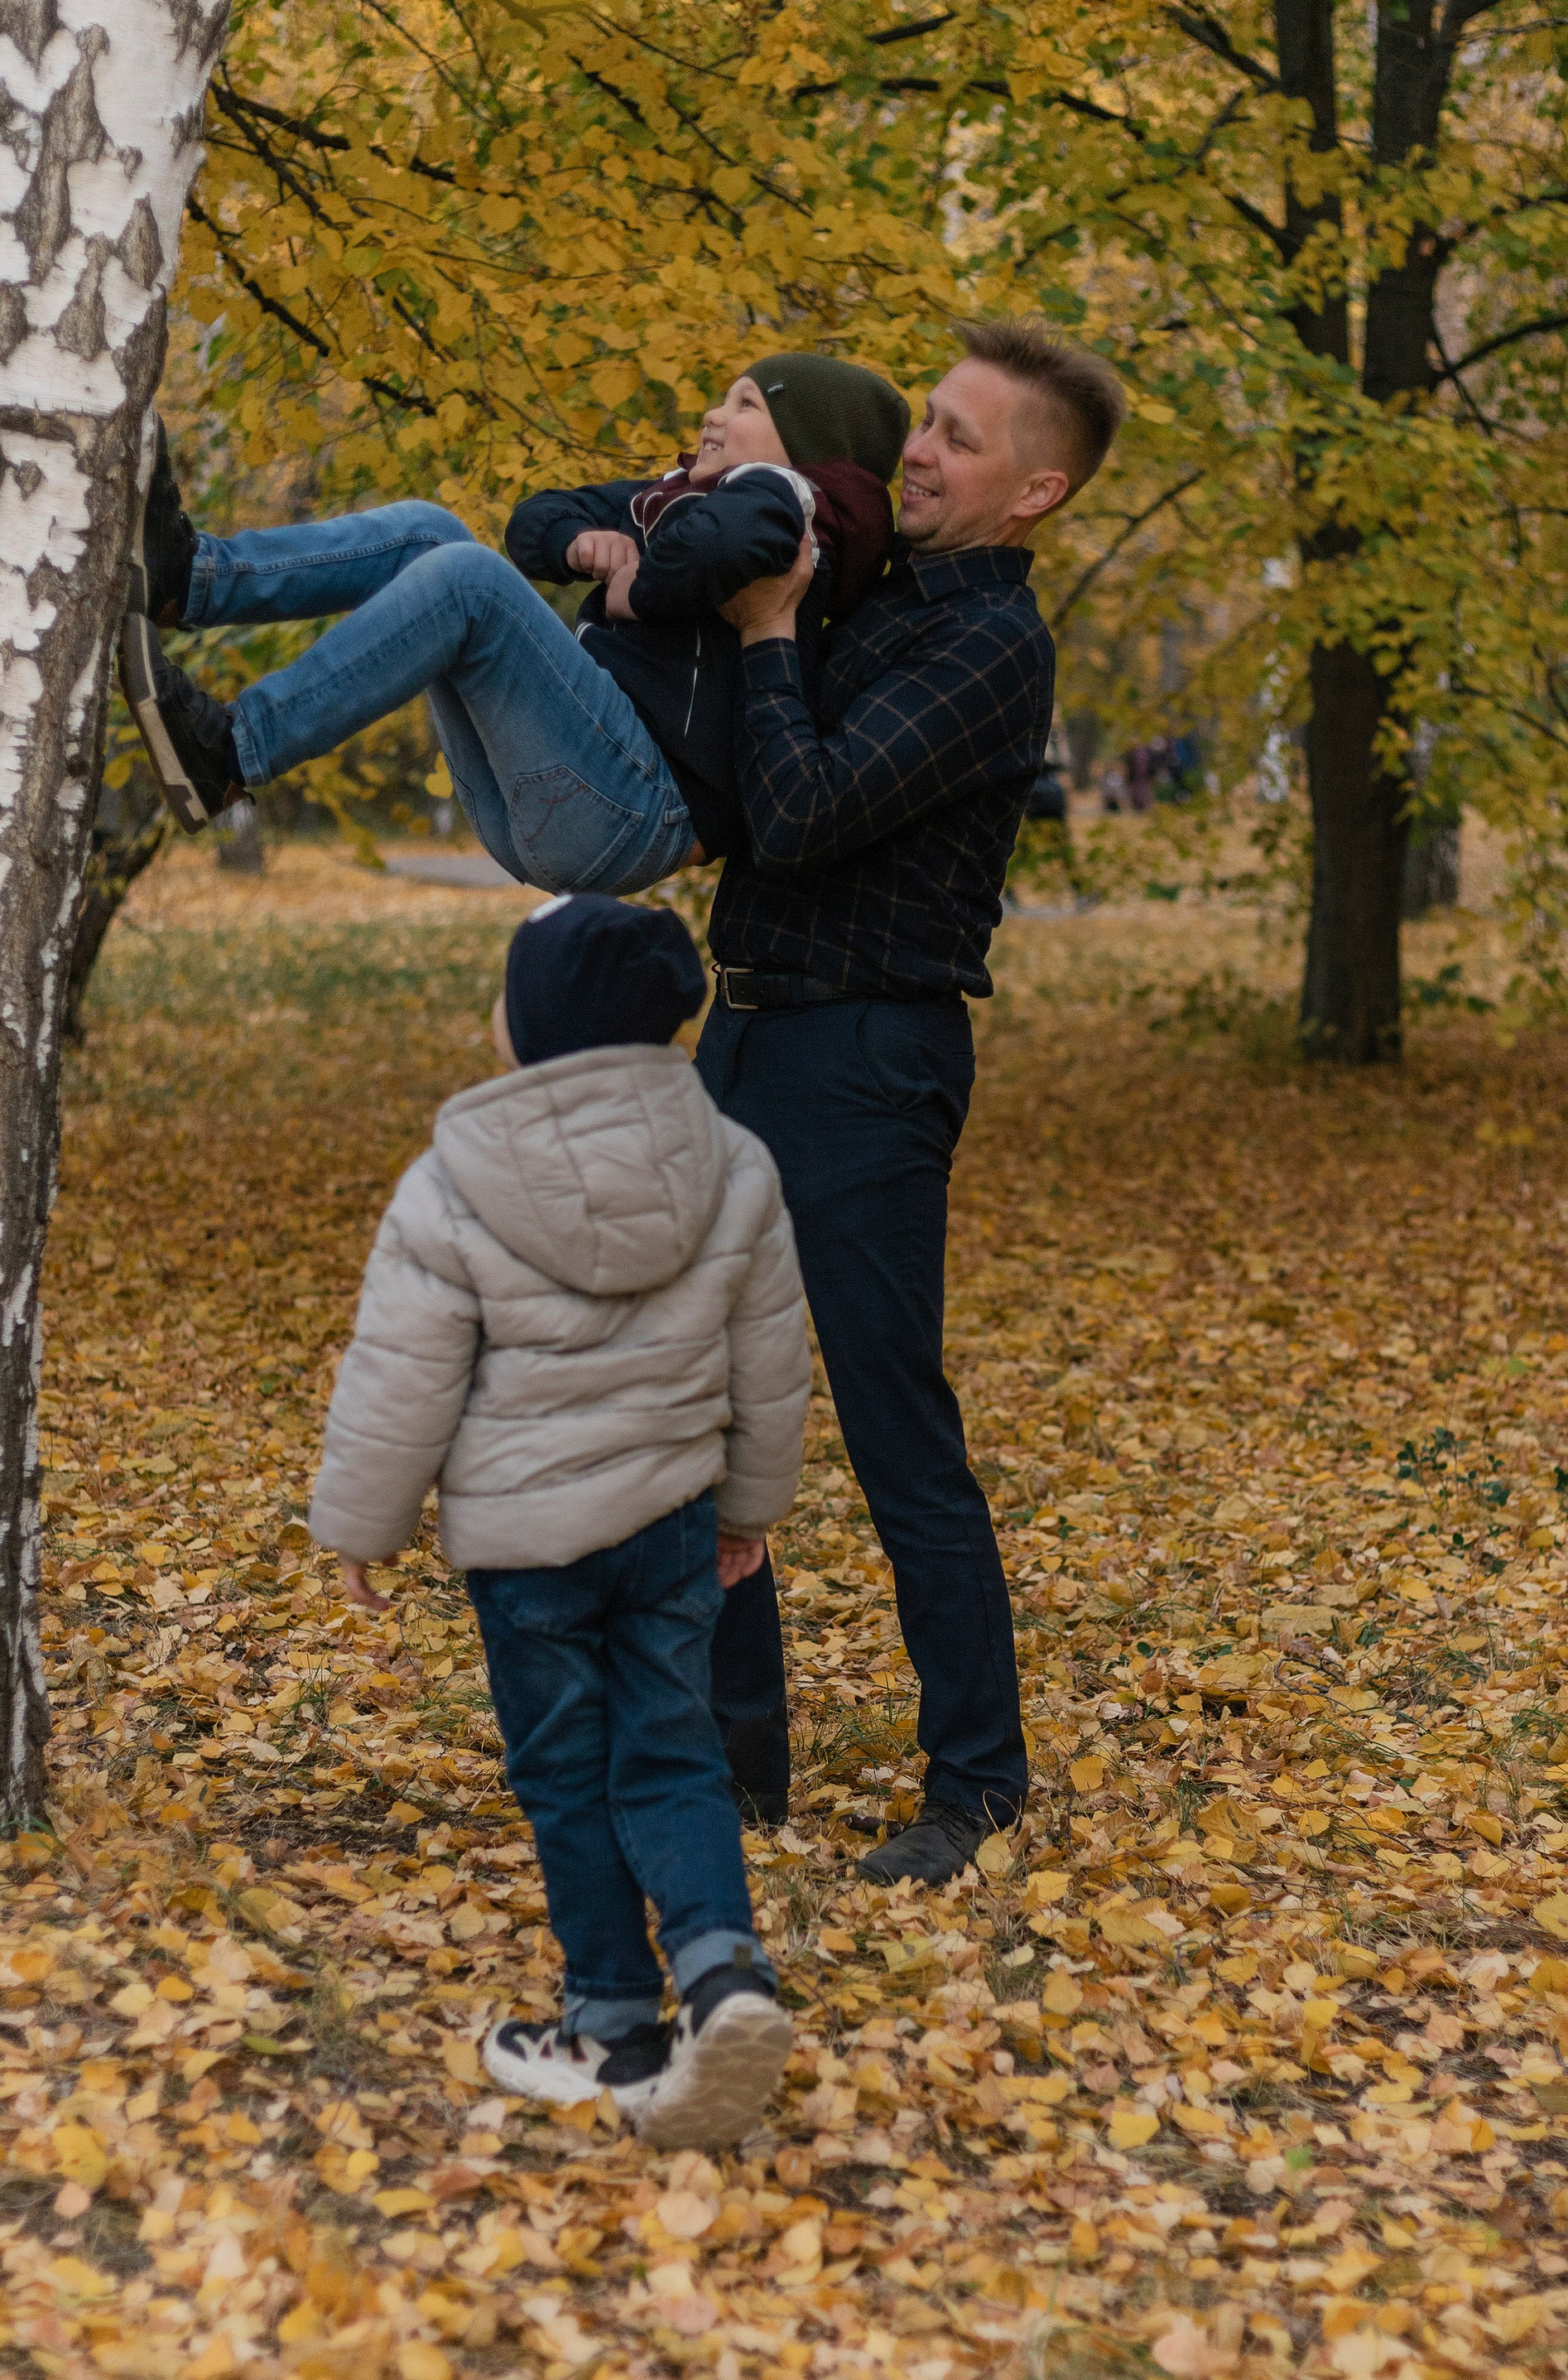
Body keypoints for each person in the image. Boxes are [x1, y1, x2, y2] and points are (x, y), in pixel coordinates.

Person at [696, 318, 1126, 1884]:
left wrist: (761, 631)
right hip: (738, 1034)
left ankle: (977, 1784)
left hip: (867, 1062)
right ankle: (734, 1765)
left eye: (956, 436)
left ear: (1037, 492)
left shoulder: (992, 646)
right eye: (924, 424)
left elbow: (800, 809)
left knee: (892, 1427)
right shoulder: (869, 591)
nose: (918, 452)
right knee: (699, 1409)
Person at [307, 894, 812, 2146]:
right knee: (674, 1748)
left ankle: (609, 2021)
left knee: (566, 1775)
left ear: (533, 1024)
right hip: (673, 1525)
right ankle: (723, 1970)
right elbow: (773, 1355)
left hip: (528, 1550)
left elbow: (404, 1368)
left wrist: (364, 1523)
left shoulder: (455, 1180)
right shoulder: (734, 1159)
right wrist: (751, 1506)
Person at [119, 356, 906, 895]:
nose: (712, 412)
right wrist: (574, 541)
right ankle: (193, 581)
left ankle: (231, 751)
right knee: (434, 535)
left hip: (637, 809)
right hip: (569, 797)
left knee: (467, 583)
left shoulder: (790, 509)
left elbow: (725, 546)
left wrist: (637, 590)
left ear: (804, 450)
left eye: (745, 404)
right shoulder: (679, 493)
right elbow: (533, 524)